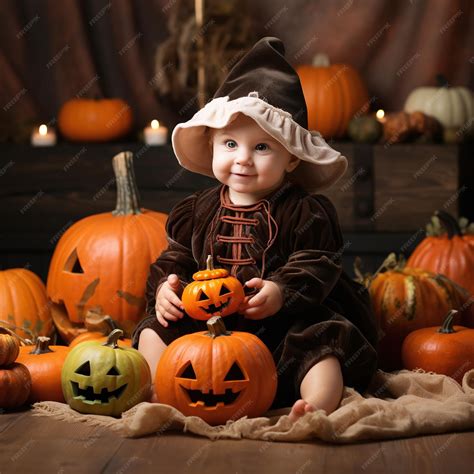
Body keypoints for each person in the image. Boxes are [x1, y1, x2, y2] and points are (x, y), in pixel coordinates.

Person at [132, 37, 378, 422]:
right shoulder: (196, 210)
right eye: (230, 143)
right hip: (208, 323)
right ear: (212, 143)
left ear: (292, 159)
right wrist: (167, 287)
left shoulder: (304, 211)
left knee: (320, 342)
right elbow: (175, 257)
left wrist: (282, 291)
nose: (243, 159)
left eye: (262, 148)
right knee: (155, 327)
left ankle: (316, 403)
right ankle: (158, 390)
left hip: (281, 323)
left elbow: (318, 262)